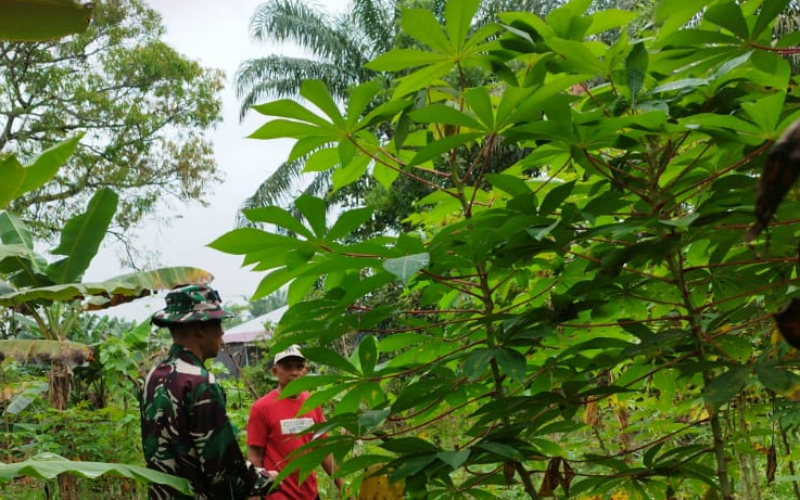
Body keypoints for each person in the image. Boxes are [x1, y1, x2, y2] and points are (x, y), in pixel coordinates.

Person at [140, 283, 276, 500]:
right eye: (218, 323)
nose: (222, 332)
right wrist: (262, 480)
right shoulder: (200, 382)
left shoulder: (153, 376)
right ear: (200, 328)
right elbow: (222, 470)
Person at [247, 345, 346, 500]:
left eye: (299, 367)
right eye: (287, 367)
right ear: (275, 371)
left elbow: (322, 449)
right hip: (278, 495)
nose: (294, 372)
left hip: (310, 493)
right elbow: (255, 456)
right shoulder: (261, 408)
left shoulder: (312, 402)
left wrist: (343, 486)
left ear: (305, 370)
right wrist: (253, 495)